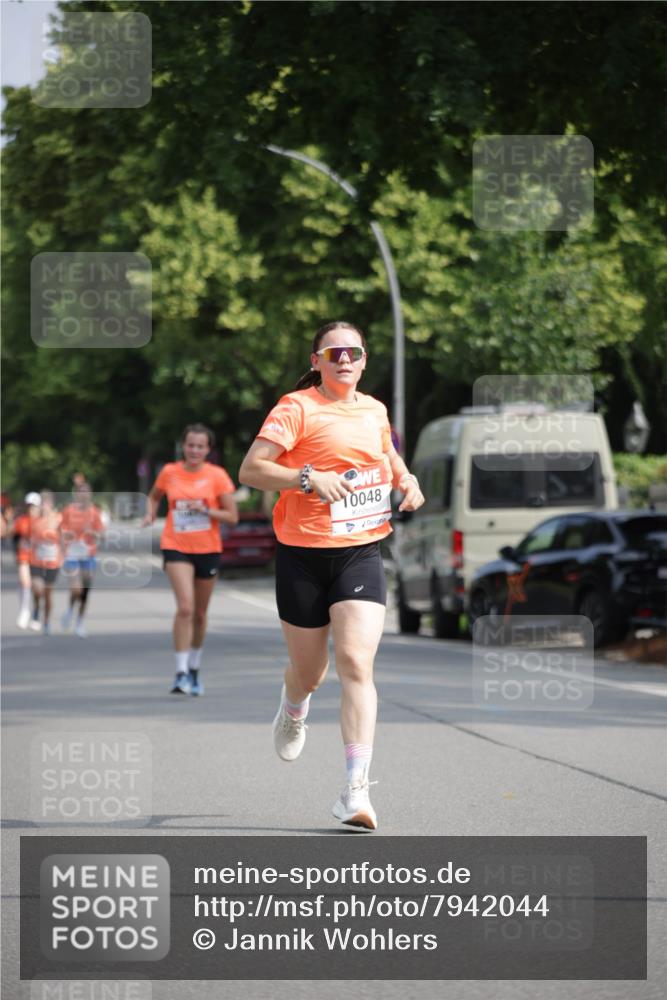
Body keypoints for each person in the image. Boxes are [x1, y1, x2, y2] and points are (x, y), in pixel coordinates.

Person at [239, 321, 424, 830]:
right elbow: (251, 470)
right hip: (302, 555)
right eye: (334, 352)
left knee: (356, 663)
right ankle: (294, 704)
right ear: (317, 360)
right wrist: (306, 478)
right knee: (311, 673)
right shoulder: (296, 408)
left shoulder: (374, 409)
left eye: (354, 351)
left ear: (364, 361)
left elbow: (386, 455)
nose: (345, 359)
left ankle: (355, 791)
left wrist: (406, 478)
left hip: (360, 551)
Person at [143, 424, 239, 695]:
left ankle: (195, 668)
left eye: (200, 446)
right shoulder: (169, 472)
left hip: (208, 548)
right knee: (185, 608)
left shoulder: (217, 476)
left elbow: (232, 517)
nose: (195, 450)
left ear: (208, 450)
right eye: (190, 445)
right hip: (176, 546)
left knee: (199, 613)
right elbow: (154, 497)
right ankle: (181, 672)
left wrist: (206, 510)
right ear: (183, 446)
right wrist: (150, 513)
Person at [60, 485, 105, 638]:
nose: (84, 496)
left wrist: (94, 533)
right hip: (72, 554)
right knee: (76, 589)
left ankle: (79, 622)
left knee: (85, 591)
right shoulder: (68, 511)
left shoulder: (94, 513)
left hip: (89, 555)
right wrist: (65, 541)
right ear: (76, 495)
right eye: (81, 493)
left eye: (86, 493)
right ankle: (70, 610)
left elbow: (102, 535)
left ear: (91, 494)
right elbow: (61, 530)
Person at [29, 490, 62, 635]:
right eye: (43, 504)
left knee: (48, 594)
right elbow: (28, 538)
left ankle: (46, 621)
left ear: (52, 504)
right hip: (36, 560)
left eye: (47, 503)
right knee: (37, 589)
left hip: (52, 562)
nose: (45, 507)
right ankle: (36, 607)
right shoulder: (34, 521)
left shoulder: (58, 519)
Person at [14, 493, 41, 629]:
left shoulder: (43, 521)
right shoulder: (21, 521)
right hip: (24, 556)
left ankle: (36, 614)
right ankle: (24, 611)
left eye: (34, 506)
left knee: (37, 588)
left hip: (39, 559)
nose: (31, 509)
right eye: (29, 506)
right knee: (25, 582)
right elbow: (14, 538)